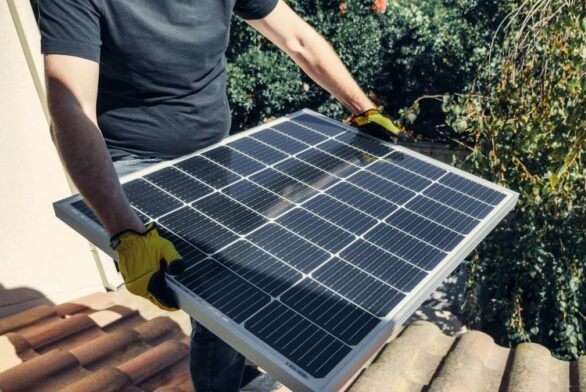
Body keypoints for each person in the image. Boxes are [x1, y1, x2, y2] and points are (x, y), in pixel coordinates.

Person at [39, 1, 411, 391]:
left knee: (236, 283)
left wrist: (363, 109)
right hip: (136, 163)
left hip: (212, 153)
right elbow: (70, 107)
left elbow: (297, 38)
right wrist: (125, 232)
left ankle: (229, 374)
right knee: (218, 291)